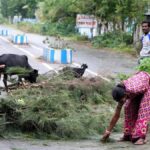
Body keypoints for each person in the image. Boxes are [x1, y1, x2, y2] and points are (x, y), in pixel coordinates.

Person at [101, 71, 150, 145]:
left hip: (147, 86)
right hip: (139, 89)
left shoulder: (134, 88)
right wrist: (108, 131)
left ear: (125, 94)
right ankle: (128, 135)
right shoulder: (123, 93)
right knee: (128, 108)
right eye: (120, 101)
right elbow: (116, 115)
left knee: (143, 111)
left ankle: (140, 137)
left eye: (122, 100)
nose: (122, 102)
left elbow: (146, 88)